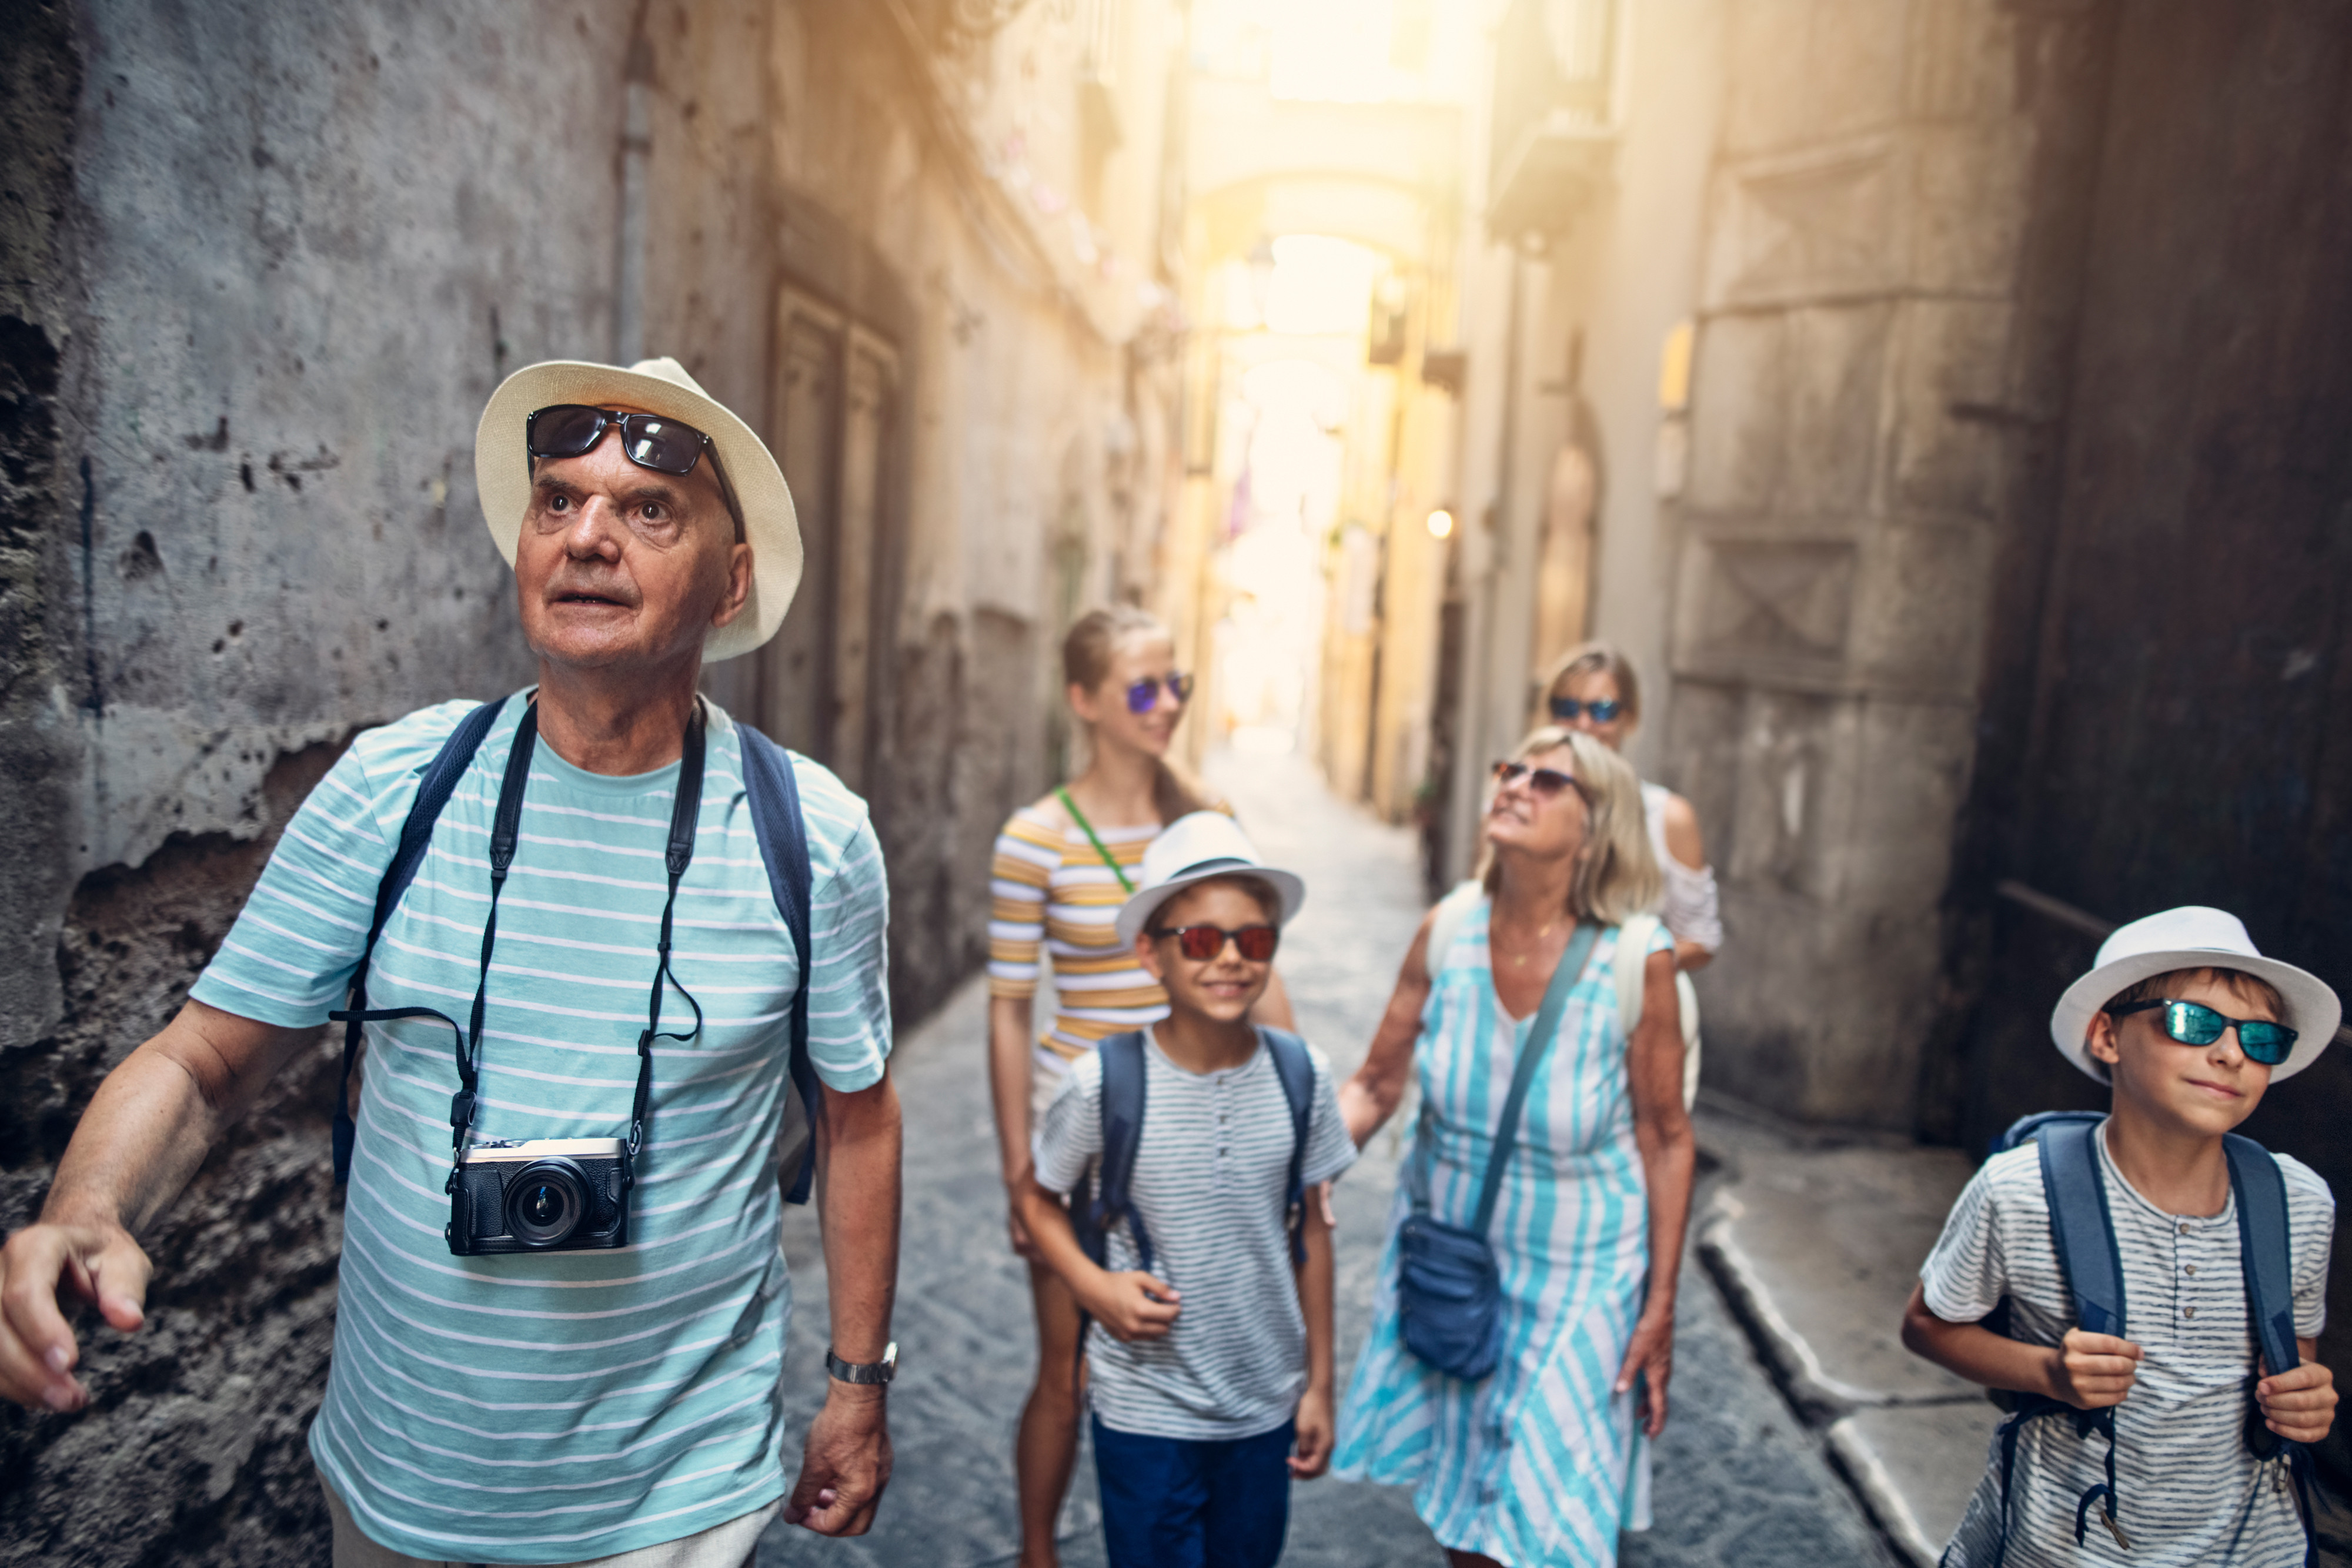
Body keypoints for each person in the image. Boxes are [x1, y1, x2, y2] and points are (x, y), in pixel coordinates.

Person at [0, 357, 903, 1564]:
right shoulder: (391, 790)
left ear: (730, 582)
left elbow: (857, 1119)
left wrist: (856, 1381)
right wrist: (85, 1206)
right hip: (395, 1487)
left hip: (673, 1502)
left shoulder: (815, 837)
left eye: (647, 511)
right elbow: (203, 1059)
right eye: (557, 500)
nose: (587, 536)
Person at [1332, 726, 1695, 1567]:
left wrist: (1661, 1302)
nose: (1515, 785)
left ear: (1597, 827)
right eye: (1510, 769)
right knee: (1471, 1505)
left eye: (1547, 780)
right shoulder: (1450, 926)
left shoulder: (1637, 957)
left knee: (1542, 1506)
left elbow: (1667, 1135)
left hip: (1584, 1271)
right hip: (1457, 1258)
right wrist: (1298, 1164)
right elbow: (1376, 1084)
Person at [987, 605, 1294, 1567]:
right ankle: (1039, 1550)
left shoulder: (1209, 826)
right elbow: (1008, 1008)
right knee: (1063, 1369)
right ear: (1084, 700)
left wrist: (1292, 1116)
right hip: (1077, 1141)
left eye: (1178, 685)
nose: (1167, 705)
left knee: (1194, 1359)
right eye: (1144, 687)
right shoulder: (1034, 838)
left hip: (1199, 1136)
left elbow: (1265, 981)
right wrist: (1016, 1169)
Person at [1902, 906, 2338, 1565]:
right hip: (2064, 1547)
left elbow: (2292, 1352)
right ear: (2107, 1035)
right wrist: (2048, 1372)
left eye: (2262, 1040)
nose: (2229, 1054)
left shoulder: (2298, 1203)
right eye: (2193, 1023)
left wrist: (2303, 1397)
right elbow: (1927, 1325)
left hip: (2252, 1549)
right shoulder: (2019, 1192)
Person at [1015, 812, 1354, 1568]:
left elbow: (1314, 1233)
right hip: (1146, 1413)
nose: (1230, 959)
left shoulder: (1306, 1078)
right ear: (1151, 954)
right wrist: (1094, 1288)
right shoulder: (1102, 1083)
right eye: (1201, 939)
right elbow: (1035, 1200)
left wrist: (1320, 1386)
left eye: (1253, 939)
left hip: (1262, 1407)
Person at [1540, 643, 1720, 974]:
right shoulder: (1517, 805)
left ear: (1630, 717)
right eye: (1566, 707)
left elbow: (1700, 940)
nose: (1582, 724)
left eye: (1602, 710)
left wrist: (1622, 970)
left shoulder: (1668, 818)